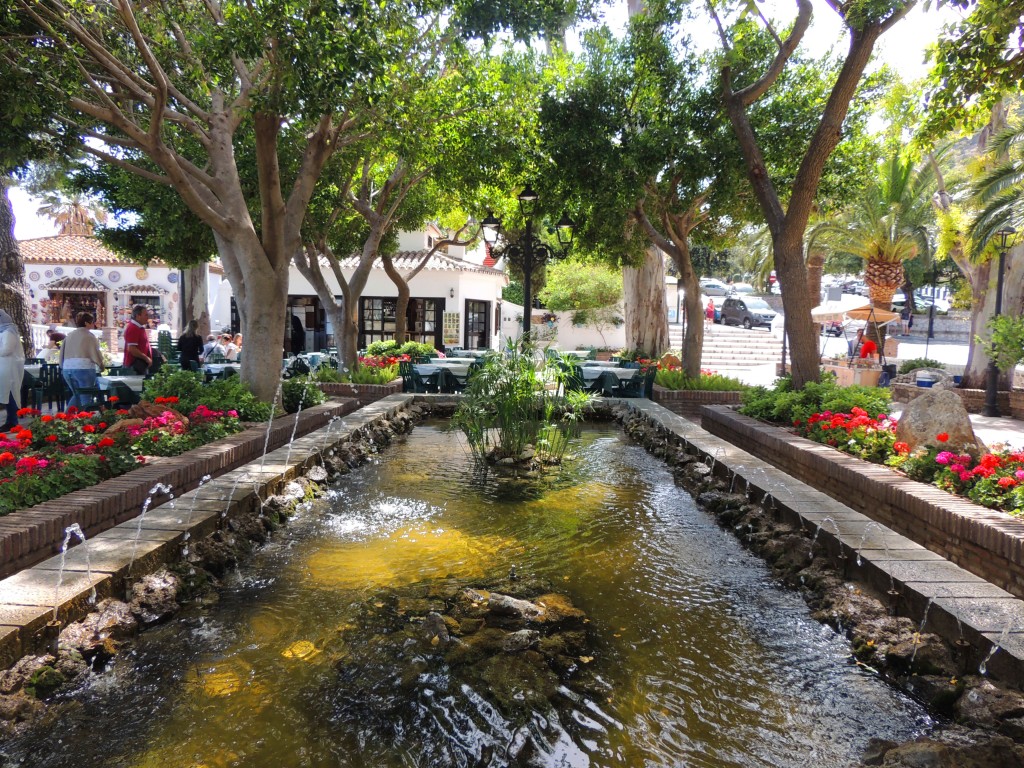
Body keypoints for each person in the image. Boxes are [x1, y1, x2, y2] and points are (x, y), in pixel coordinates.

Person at [60, 312, 105, 408]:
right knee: (85, 397)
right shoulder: (89, 336)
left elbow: (62, 353)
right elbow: (95, 353)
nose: (94, 324)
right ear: (86, 323)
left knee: (77, 395)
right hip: (83, 369)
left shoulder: (69, 335)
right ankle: (84, 417)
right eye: (92, 322)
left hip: (67, 369)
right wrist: (101, 366)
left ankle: (67, 417)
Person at [0, 310, 25, 431]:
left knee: (9, 393)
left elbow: (7, 349)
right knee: (6, 393)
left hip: (9, 368)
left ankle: (12, 420)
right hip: (5, 367)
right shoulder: (4, 331)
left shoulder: (8, 332)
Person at [123, 304, 156, 375]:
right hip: (134, 366)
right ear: (138, 316)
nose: (147, 317)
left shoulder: (139, 328)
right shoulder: (133, 328)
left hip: (140, 365)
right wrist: (146, 358)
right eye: (145, 315)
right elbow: (132, 349)